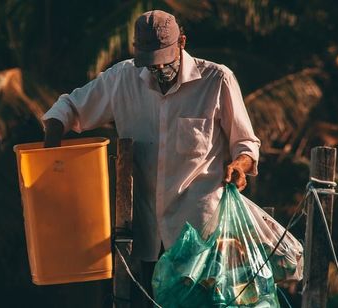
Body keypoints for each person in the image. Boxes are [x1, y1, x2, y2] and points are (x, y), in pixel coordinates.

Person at [42, 9, 260, 304]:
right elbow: (70, 107)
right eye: (150, 63)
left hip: (198, 234)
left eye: (164, 61)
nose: (158, 70)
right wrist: (51, 143)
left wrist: (239, 165)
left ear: (182, 42)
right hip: (145, 234)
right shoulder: (122, 78)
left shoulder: (216, 80)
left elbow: (245, 143)